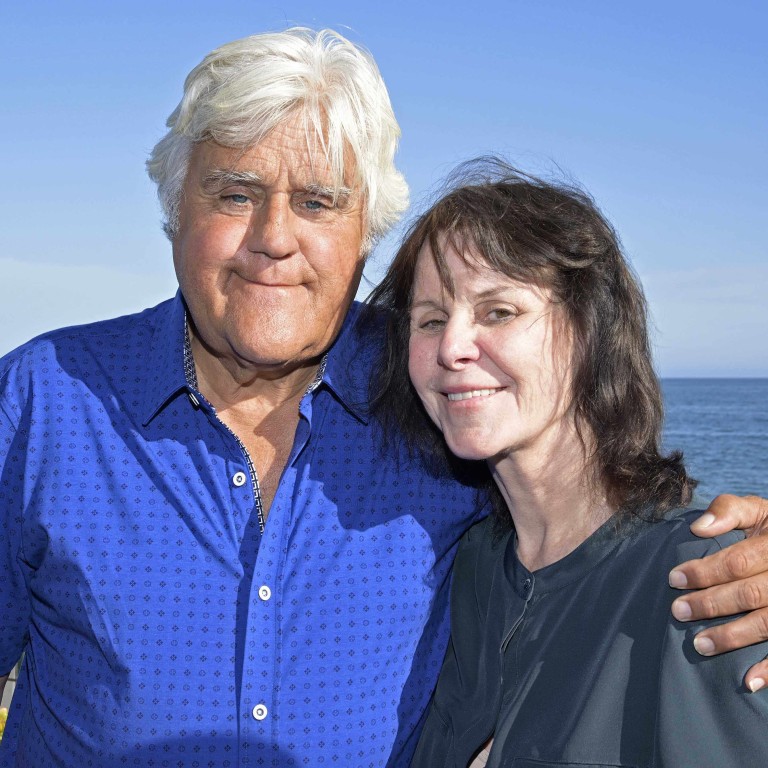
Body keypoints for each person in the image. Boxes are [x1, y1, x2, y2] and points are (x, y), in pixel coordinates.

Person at [0, 28, 767, 768]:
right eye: (236, 194)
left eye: (318, 202)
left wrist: (740, 552)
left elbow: (584, 529)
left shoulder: (434, 390)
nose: (274, 237)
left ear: (366, 231)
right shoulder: (43, 401)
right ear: (174, 213)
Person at [367, 159, 768, 767]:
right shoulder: (468, 571)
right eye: (431, 320)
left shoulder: (704, 583)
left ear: (589, 329)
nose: (452, 347)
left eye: (499, 311)